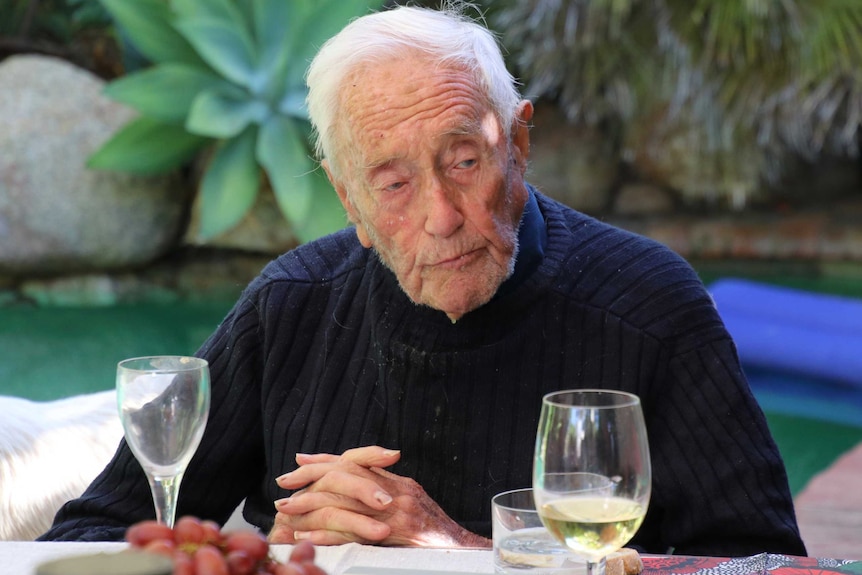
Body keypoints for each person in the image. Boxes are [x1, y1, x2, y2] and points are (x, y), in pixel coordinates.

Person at [40, 4, 807, 557]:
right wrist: (267, 554)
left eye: (464, 160)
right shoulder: (290, 305)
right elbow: (92, 536)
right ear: (350, 201)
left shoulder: (649, 306)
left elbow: (765, 561)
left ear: (520, 144)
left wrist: (460, 549)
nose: (442, 215)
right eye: (394, 182)